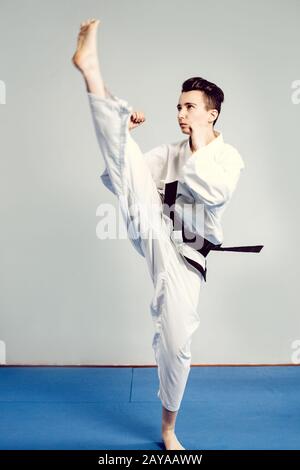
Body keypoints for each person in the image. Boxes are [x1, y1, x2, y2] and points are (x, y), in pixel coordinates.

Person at [72, 18, 263, 451]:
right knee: (127, 157)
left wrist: (196, 143)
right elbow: (127, 179)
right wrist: (124, 137)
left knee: (177, 345)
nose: (180, 114)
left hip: (188, 257)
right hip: (155, 228)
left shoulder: (228, 157)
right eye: (178, 107)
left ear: (210, 114)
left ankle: (167, 428)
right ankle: (91, 70)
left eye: (189, 108)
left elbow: (213, 193)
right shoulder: (171, 151)